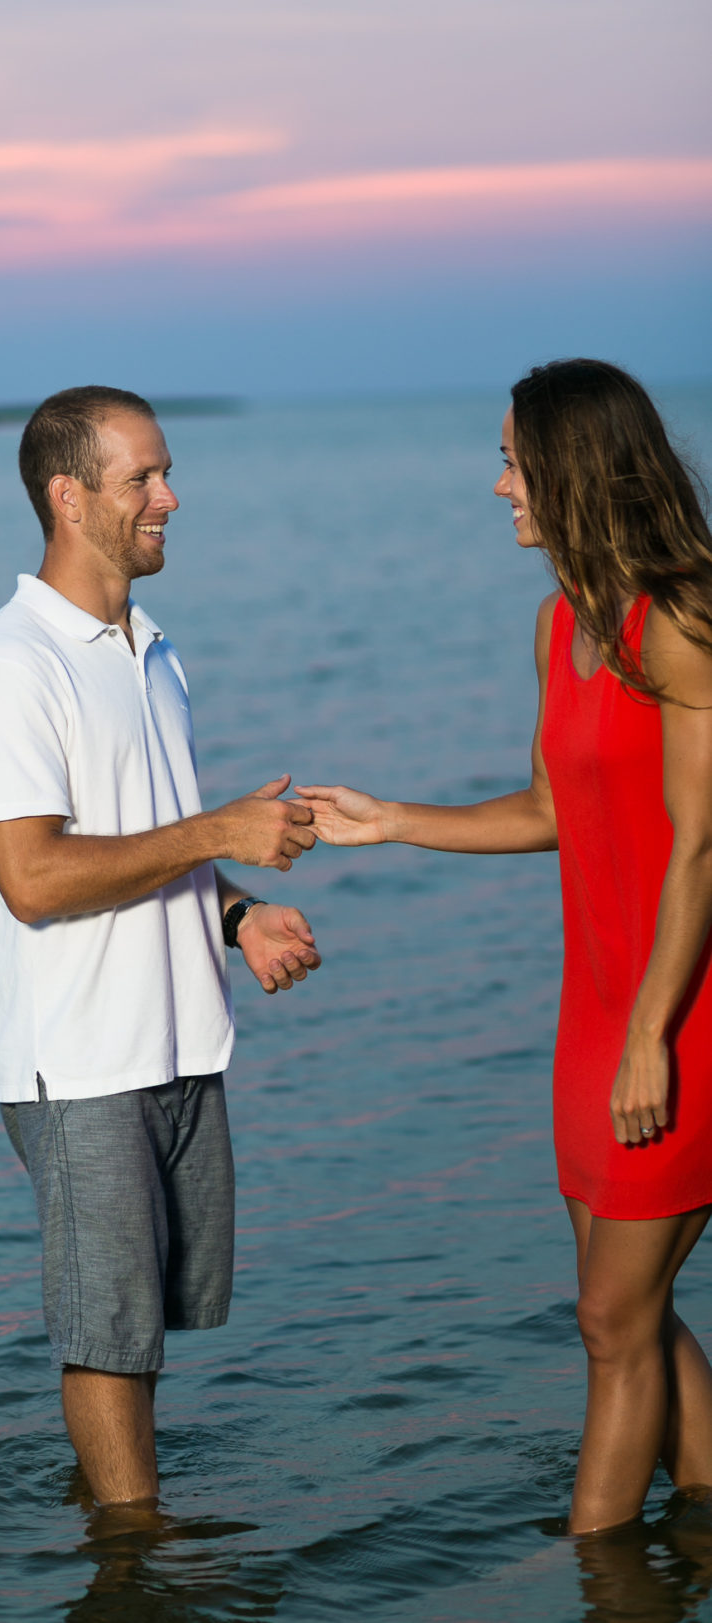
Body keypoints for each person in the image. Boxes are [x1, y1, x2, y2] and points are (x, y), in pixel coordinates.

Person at [297, 358, 712, 1535]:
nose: (498, 489)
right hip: (593, 1015)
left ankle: (598, 1575)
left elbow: (697, 850)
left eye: (510, 463)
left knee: (608, 1323)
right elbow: (548, 811)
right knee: (625, 1306)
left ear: (573, 470)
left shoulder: (681, 619)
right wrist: (391, 820)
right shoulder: (558, 625)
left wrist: (649, 1037)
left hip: (677, 1016)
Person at [0, 384, 321, 1510]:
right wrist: (218, 833)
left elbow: (140, 839)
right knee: (105, 1335)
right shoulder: (9, 666)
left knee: (148, 1328)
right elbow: (35, 878)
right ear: (69, 496)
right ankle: (129, 1565)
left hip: (176, 1042)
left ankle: (132, 1536)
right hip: (79, 1059)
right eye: (142, 479)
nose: (169, 498)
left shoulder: (150, 651)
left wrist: (236, 914)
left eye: (164, 473)